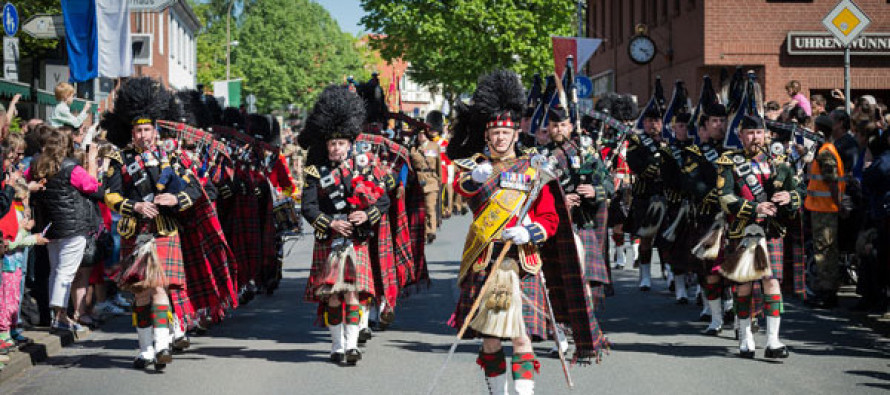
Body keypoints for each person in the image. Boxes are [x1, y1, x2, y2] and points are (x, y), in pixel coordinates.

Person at [447, 70, 607, 394]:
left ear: (514, 134)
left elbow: (551, 217)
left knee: (521, 336)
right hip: (486, 259)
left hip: (524, 261)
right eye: (495, 133)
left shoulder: (533, 169)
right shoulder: (478, 169)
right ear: (487, 135)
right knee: (490, 339)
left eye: (505, 132)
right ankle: (497, 390)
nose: (500, 138)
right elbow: (463, 190)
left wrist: (530, 231)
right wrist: (477, 179)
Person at [101, 77, 203, 370]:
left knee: (160, 289)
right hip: (137, 231)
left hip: (164, 230)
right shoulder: (119, 159)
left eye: (147, 129)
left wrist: (176, 199)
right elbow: (110, 195)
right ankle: (145, 348)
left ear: (155, 130)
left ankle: (161, 347)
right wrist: (134, 205)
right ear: (131, 132)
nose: (143, 135)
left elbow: (194, 188)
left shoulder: (171, 157)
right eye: (138, 130)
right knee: (141, 292)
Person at [300, 86, 390, 366]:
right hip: (330, 238)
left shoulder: (365, 167)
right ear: (326, 146)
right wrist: (332, 223)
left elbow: (384, 199)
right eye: (332, 144)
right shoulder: (316, 172)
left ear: (350, 143)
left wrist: (367, 215)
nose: (336, 148)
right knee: (334, 298)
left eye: (341, 143)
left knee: (353, 293)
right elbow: (309, 207)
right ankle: (336, 345)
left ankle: (351, 345)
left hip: (357, 239)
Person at [716, 114, 803, 359]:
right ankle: (746, 336)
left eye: (759, 133)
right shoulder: (729, 161)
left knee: (771, 280)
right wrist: (755, 208)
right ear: (740, 135)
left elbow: (798, 189)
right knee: (744, 284)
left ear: (766, 134)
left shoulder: (779, 160)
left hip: (772, 230)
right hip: (743, 230)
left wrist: (789, 197)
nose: (755, 138)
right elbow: (725, 197)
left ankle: (773, 341)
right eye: (750, 133)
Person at [29, 129, 100, 334]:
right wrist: (93, 161)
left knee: (56, 271)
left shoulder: (36, 166)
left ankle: (57, 315)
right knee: (66, 272)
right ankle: (60, 316)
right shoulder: (72, 168)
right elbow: (92, 186)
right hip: (73, 226)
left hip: (50, 226)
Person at [805, 113, 852, 309]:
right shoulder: (827, 150)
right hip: (823, 209)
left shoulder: (825, 152)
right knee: (826, 250)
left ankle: (827, 293)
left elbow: (831, 182)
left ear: (818, 130)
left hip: (825, 210)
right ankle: (826, 291)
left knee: (825, 251)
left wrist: (839, 204)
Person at [624, 106, 666, 291]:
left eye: (656, 121)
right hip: (645, 194)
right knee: (646, 237)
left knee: (668, 237)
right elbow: (635, 164)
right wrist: (654, 167)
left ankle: (670, 274)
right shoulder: (637, 141)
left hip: (666, 193)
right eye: (649, 121)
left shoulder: (668, 141)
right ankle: (645, 275)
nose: (653, 125)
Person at [409, 126, 442, 244]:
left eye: (423, 134)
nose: (421, 136)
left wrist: (440, 180)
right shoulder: (413, 148)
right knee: (420, 209)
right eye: (419, 134)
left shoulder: (435, 147)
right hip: (418, 181)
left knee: (429, 207)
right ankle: (422, 232)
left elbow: (438, 165)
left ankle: (431, 231)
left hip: (431, 180)